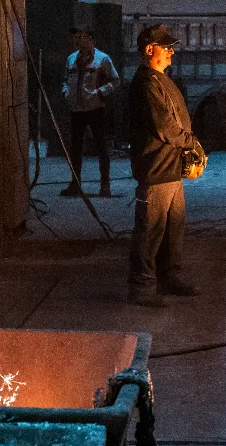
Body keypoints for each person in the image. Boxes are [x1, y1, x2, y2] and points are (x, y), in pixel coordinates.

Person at [127, 24, 203, 308]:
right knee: (150, 228)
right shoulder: (147, 84)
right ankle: (142, 287)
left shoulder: (160, 79)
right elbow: (165, 128)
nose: (172, 51)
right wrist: (191, 143)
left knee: (173, 226)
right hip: (156, 168)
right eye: (165, 46)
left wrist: (189, 144)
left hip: (169, 168)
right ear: (149, 50)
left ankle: (169, 277)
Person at [60, 28, 120, 198]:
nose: (78, 40)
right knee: (76, 148)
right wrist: (66, 92)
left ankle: (105, 185)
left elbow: (115, 80)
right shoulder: (71, 59)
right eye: (76, 37)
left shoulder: (102, 59)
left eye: (82, 37)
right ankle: (75, 183)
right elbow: (65, 79)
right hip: (76, 109)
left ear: (91, 39)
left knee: (101, 146)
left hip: (95, 108)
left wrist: (100, 92)